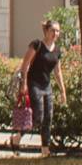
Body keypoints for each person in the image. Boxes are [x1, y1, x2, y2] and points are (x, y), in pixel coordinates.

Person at [20, 20, 62, 157]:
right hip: (34, 83)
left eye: (57, 31)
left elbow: (57, 71)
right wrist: (24, 84)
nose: (55, 33)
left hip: (47, 85)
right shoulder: (37, 45)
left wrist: (63, 90)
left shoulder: (57, 49)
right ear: (47, 31)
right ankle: (17, 137)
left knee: (48, 118)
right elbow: (25, 64)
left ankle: (45, 150)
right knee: (38, 117)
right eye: (53, 30)